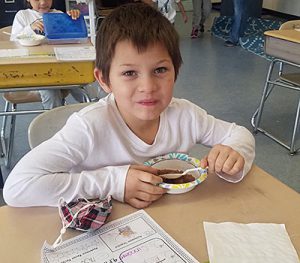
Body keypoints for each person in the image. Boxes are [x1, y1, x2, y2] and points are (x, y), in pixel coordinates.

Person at [3, 3, 255, 209]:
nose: (147, 86)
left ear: (175, 72)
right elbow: (18, 187)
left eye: (160, 70)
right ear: (104, 80)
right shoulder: (90, 126)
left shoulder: (186, 115)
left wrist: (235, 154)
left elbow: (239, 134)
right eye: (129, 73)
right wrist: (114, 182)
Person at [10, 0, 88, 109]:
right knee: (51, 91)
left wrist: (73, 19)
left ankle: (91, 108)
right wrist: (30, 28)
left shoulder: (59, 15)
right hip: (32, 72)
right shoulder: (23, 15)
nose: (43, 2)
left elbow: (73, 39)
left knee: (79, 81)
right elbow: (13, 42)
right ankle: (53, 120)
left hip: (59, 67)